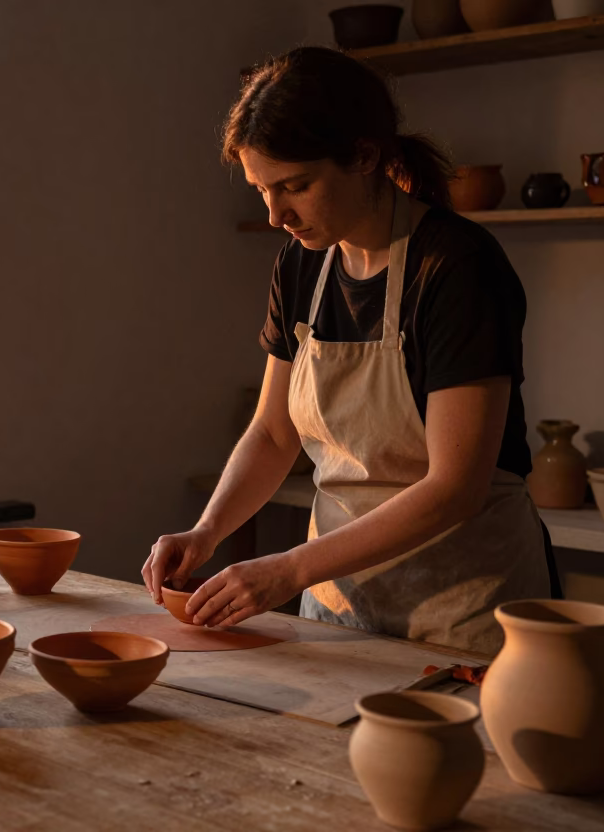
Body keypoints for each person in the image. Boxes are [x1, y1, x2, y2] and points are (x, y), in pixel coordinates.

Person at [141, 46, 555, 654]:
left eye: (295, 186)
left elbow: (455, 487)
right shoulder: (302, 265)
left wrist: (287, 570)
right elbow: (274, 433)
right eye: (262, 189)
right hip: (338, 607)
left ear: (364, 156)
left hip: (462, 612)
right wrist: (207, 531)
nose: (278, 213)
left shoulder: (457, 267)